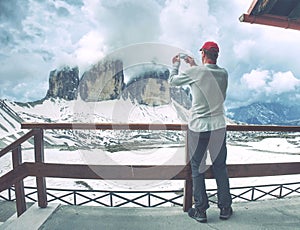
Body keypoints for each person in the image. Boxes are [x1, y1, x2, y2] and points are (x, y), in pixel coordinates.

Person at [168, 41, 232, 223]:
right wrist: (194, 66)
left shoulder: (196, 73)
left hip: (199, 128)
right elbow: (210, 83)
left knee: (197, 168)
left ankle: (201, 210)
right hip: (219, 127)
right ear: (216, 55)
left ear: (203, 53)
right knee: (220, 167)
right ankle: (225, 208)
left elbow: (172, 81)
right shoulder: (223, 73)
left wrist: (176, 65)